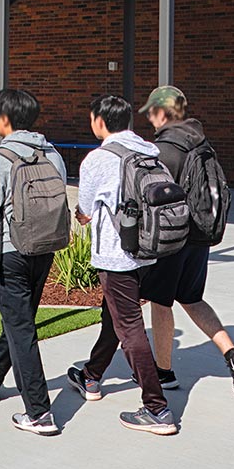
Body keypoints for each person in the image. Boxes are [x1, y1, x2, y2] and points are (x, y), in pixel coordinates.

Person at [67, 94, 177, 435]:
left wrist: (83, 216)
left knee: (129, 327)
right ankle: (92, 375)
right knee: (112, 316)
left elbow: (84, 209)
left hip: (117, 255)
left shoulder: (97, 159)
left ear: (100, 121)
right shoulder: (151, 153)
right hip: (150, 250)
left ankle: (156, 408)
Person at [139, 86, 234, 395]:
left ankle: (163, 372)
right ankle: (232, 353)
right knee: (191, 297)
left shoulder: (165, 149)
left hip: (173, 237)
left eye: (151, 111)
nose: (149, 117)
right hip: (200, 234)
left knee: (161, 302)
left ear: (164, 112)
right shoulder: (201, 142)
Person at [0, 87, 69, 436]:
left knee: (22, 327)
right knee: (20, 321)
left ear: (3, 119)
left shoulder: (0, 159)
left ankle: (39, 413)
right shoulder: (53, 154)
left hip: (8, 252)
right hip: (44, 248)